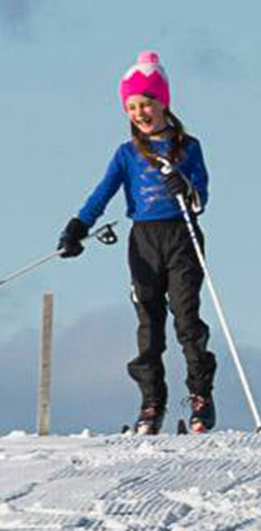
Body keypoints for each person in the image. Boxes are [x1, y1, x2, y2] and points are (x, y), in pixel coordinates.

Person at [59, 52, 217, 435]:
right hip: (143, 240)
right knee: (148, 321)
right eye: (132, 106)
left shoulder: (188, 146)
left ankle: (200, 396)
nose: (140, 112)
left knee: (186, 318)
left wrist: (187, 186)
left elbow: (203, 196)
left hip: (181, 234)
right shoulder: (127, 154)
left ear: (163, 102)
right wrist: (78, 226)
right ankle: (151, 401)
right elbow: (103, 192)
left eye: (146, 103)